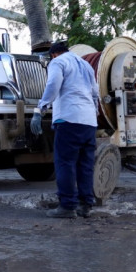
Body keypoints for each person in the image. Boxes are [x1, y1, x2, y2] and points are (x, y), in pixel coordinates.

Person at [31, 41, 100, 218]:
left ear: (54, 54)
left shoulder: (58, 62)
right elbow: (95, 92)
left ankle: (67, 206)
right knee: (85, 165)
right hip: (89, 121)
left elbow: (53, 84)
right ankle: (85, 205)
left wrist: (40, 109)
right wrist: (94, 113)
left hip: (69, 118)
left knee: (65, 163)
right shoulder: (85, 65)